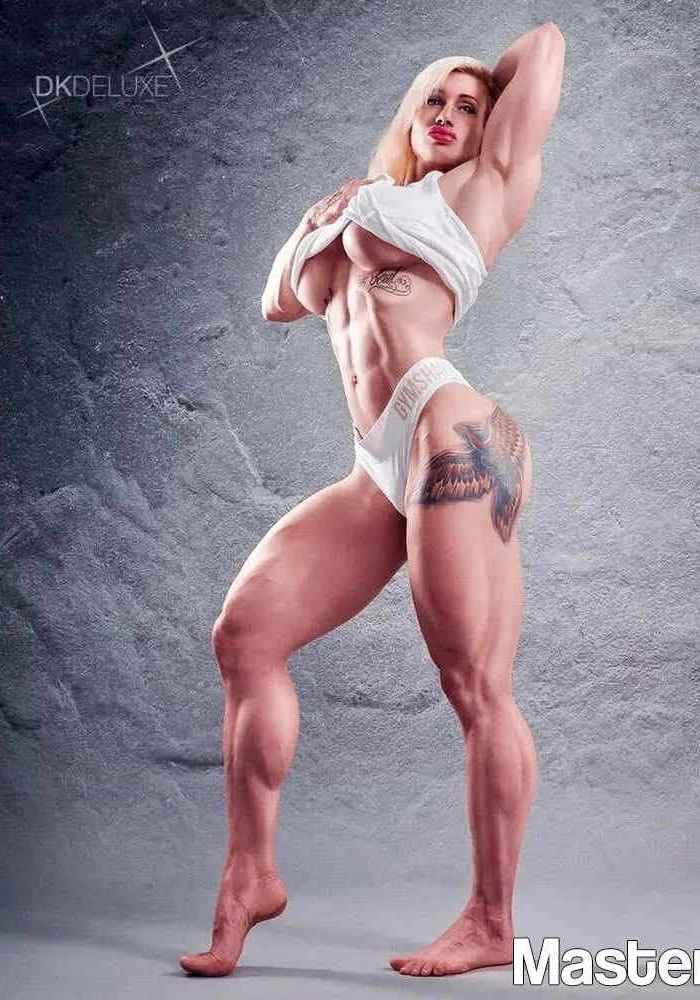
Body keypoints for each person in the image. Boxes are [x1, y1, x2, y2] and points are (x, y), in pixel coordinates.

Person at [179, 22, 566, 978]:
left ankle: (491, 919)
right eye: (433, 98)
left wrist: (477, 91)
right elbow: (277, 300)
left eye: (468, 108)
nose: (448, 114)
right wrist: (342, 207)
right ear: (406, 112)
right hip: (376, 459)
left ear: (489, 131)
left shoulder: (481, 189)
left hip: (448, 427)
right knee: (244, 636)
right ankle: (250, 875)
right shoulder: (367, 199)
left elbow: (544, 46)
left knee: (474, 686)